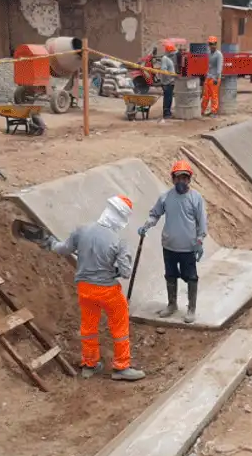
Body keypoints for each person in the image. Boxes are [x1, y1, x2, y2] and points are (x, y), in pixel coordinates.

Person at [41, 195, 146, 381]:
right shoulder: (119, 241)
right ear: (122, 218)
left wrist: (50, 243)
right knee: (119, 327)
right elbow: (126, 272)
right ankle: (121, 367)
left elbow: (63, 249)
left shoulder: (82, 230)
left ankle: (90, 364)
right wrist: (113, 269)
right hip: (108, 291)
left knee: (89, 327)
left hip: (85, 289)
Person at [137, 160, 208, 324]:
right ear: (173, 179)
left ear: (189, 179)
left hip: (188, 247)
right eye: (178, 178)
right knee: (170, 275)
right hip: (169, 246)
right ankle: (172, 304)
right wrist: (147, 225)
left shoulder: (196, 198)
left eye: (185, 178)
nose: (181, 181)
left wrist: (200, 240)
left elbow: (202, 221)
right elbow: (155, 214)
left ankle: (191, 309)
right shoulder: (166, 198)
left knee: (191, 277)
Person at [201, 36, 223, 117]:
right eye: (210, 44)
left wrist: (216, 78)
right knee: (205, 95)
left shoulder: (219, 55)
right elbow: (208, 65)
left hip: (215, 78)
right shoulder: (209, 53)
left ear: (216, 44)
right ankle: (202, 110)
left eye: (213, 44)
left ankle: (214, 112)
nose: (212, 46)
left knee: (214, 96)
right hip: (208, 77)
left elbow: (219, 68)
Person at [159, 41, 177, 119]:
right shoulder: (165, 59)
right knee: (167, 98)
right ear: (169, 51)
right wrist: (170, 75)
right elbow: (163, 70)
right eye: (172, 51)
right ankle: (166, 113)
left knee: (169, 97)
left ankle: (168, 111)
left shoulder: (168, 58)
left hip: (170, 82)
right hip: (167, 82)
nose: (173, 53)